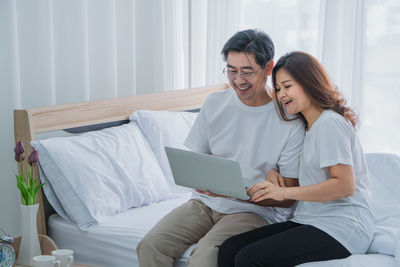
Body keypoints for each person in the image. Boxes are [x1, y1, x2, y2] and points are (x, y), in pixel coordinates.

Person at [136, 29, 305, 267]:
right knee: (150, 246)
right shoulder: (215, 103)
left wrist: (232, 191)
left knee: (205, 257)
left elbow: (288, 198)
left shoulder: (289, 119)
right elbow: (197, 160)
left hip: (254, 213)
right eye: (231, 70)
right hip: (204, 203)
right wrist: (204, 180)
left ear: (268, 69)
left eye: (247, 72)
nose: (238, 80)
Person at [218, 51, 374, 267]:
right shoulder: (308, 127)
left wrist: (284, 192)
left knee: (248, 259)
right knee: (230, 248)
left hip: (342, 227)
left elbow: (344, 185)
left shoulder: (330, 124)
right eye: (279, 88)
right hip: (310, 220)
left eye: (288, 86)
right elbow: (312, 173)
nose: (281, 95)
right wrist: (275, 173)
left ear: (309, 83)